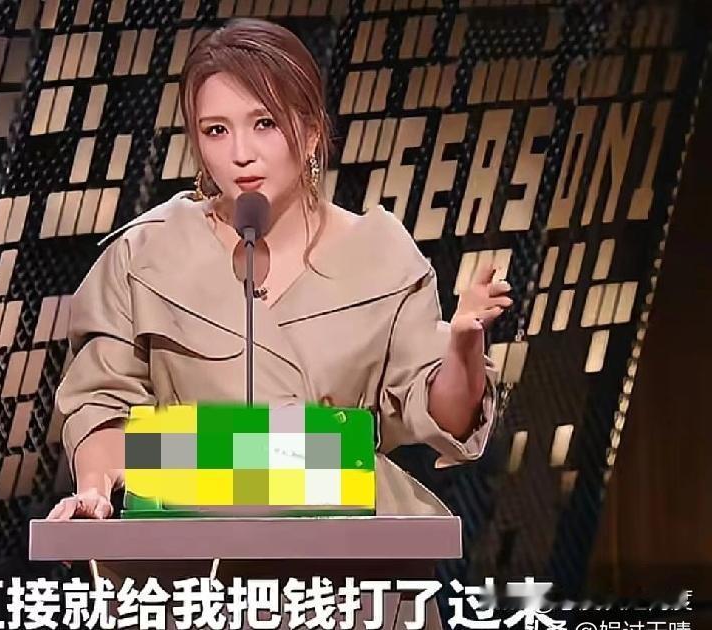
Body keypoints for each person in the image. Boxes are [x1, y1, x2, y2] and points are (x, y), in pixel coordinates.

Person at [47, 18, 512, 522]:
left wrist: (463, 348)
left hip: (343, 547)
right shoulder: (147, 255)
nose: (240, 154)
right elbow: (101, 404)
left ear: (310, 132)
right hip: (189, 545)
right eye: (216, 131)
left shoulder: (381, 257)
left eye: (264, 123)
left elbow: (445, 418)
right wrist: (94, 489)